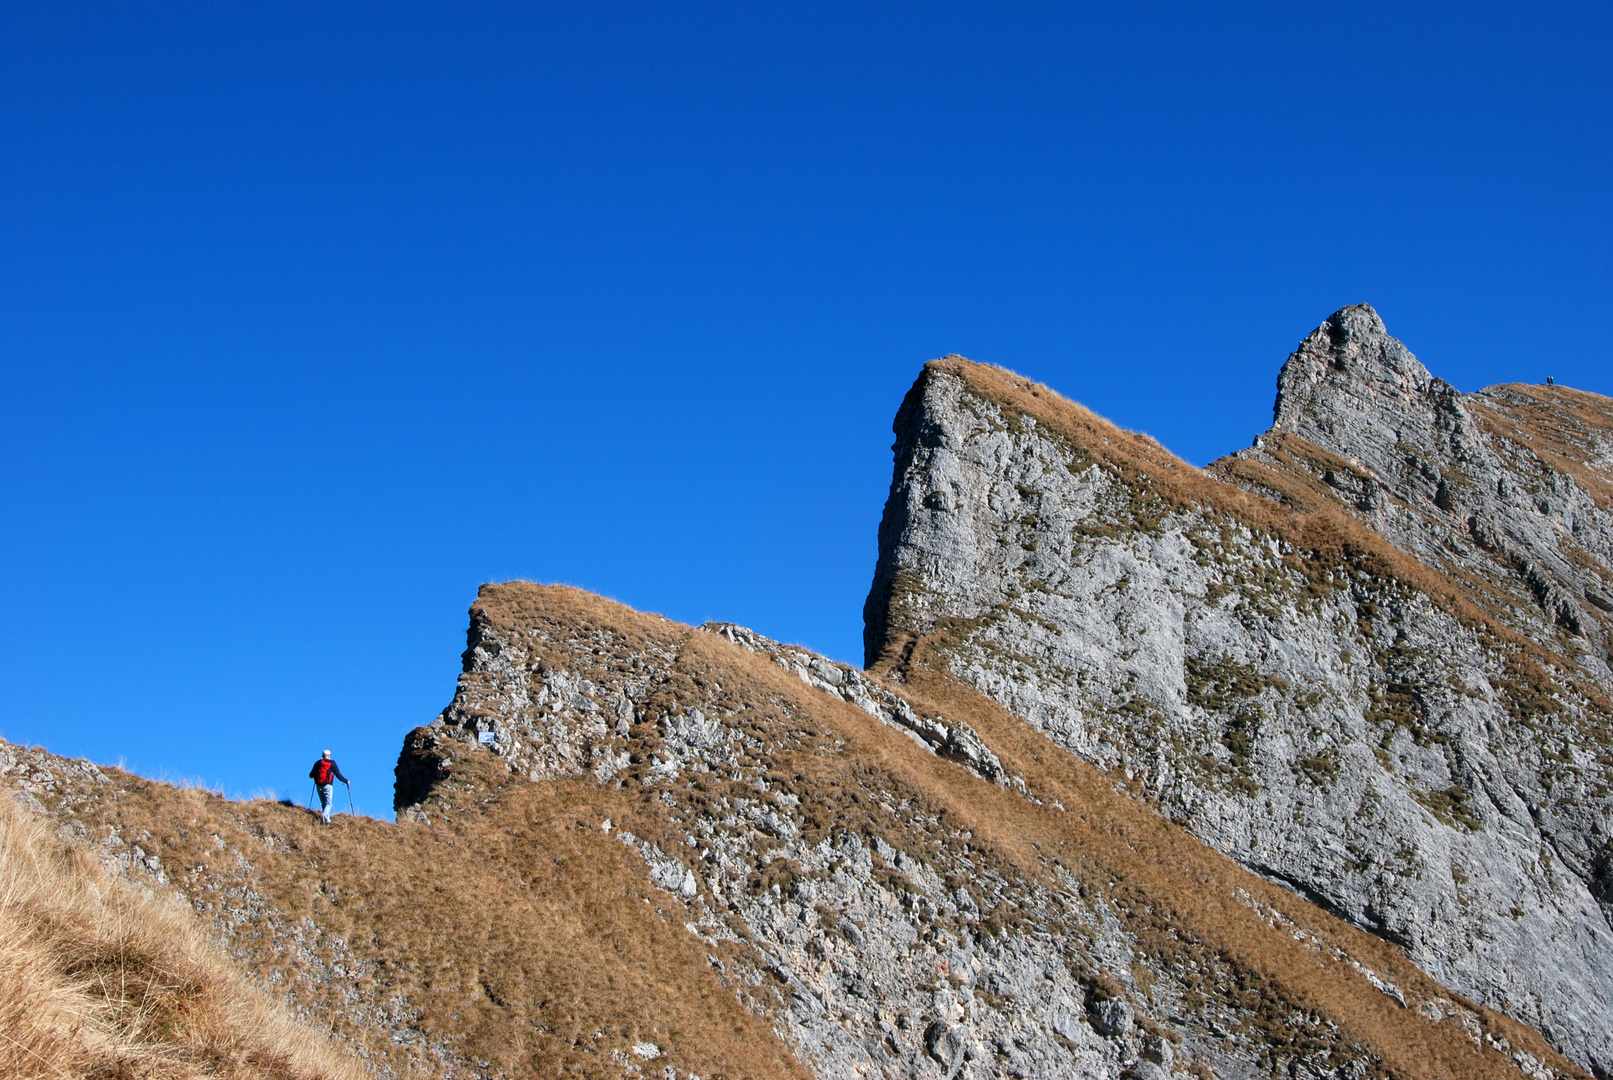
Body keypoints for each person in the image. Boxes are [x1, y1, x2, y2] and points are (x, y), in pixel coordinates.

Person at [309, 750, 349, 824]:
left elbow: (311, 775)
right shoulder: (332, 764)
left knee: (323, 802)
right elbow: (338, 774)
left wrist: (316, 775)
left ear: (322, 755)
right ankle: (324, 815)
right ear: (329, 755)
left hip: (319, 785)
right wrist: (346, 781)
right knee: (329, 803)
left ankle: (327, 821)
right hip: (328, 785)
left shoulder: (318, 763)